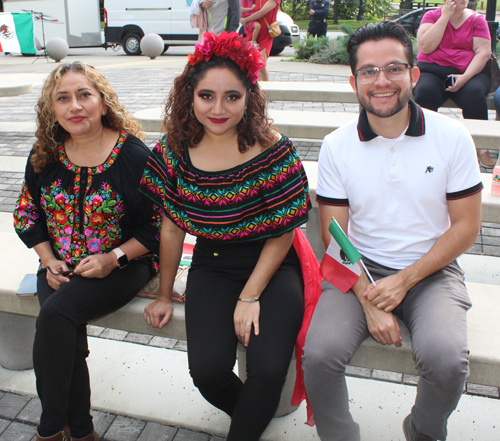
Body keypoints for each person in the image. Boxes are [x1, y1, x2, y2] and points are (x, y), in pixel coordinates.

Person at [303, 21, 482, 441]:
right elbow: (334, 235)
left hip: (432, 271)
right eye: (368, 71)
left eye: (393, 69)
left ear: (414, 75)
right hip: (357, 271)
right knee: (319, 355)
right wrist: (369, 302)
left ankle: (421, 431)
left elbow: (467, 227)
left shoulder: (452, 137)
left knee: (447, 360)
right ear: (353, 82)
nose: (381, 81)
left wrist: (404, 281)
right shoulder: (337, 145)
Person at [140, 31, 315, 441]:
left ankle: (249, 424)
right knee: (208, 371)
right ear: (190, 95)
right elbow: (170, 226)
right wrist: (165, 294)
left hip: (272, 266)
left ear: (249, 97)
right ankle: (253, 415)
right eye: (207, 96)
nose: (218, 109)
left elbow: (284, 231)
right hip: (211, 265)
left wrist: (250, 295)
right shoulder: (172, 152)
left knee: (269, 368)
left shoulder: (274, 150)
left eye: (232, 97)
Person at [13, 61, 162, 441]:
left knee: (55, 316)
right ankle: (81, 432)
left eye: (84, 95)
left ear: (103, 102)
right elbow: (27, 212)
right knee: (63, 329)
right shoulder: (44, 154)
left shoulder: (133, 157)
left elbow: (160, 225)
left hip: (127, 263)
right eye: (63, 98)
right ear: (52, 108)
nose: (75, 106)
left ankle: (49, 430)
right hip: (60, 267)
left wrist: (113, 258)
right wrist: (48, 261)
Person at [412, 0, 493, 167]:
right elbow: (426, 47)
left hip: (469, 71)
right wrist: (445, 17)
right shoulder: (431, 16)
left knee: (473, 92)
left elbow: (483, 53)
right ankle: (423, 142)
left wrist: (464, 77)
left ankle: (481, 148)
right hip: (432, 69)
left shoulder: (477, 20)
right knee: (425, 91)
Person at [240, 0, 280, 81]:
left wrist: (245, 19)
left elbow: (261, 13)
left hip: (265, 36)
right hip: (253, 33)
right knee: (251, 66)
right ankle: (256, 90)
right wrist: (242, 19)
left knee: (261, 65)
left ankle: (266, 91)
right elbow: (244, 7)